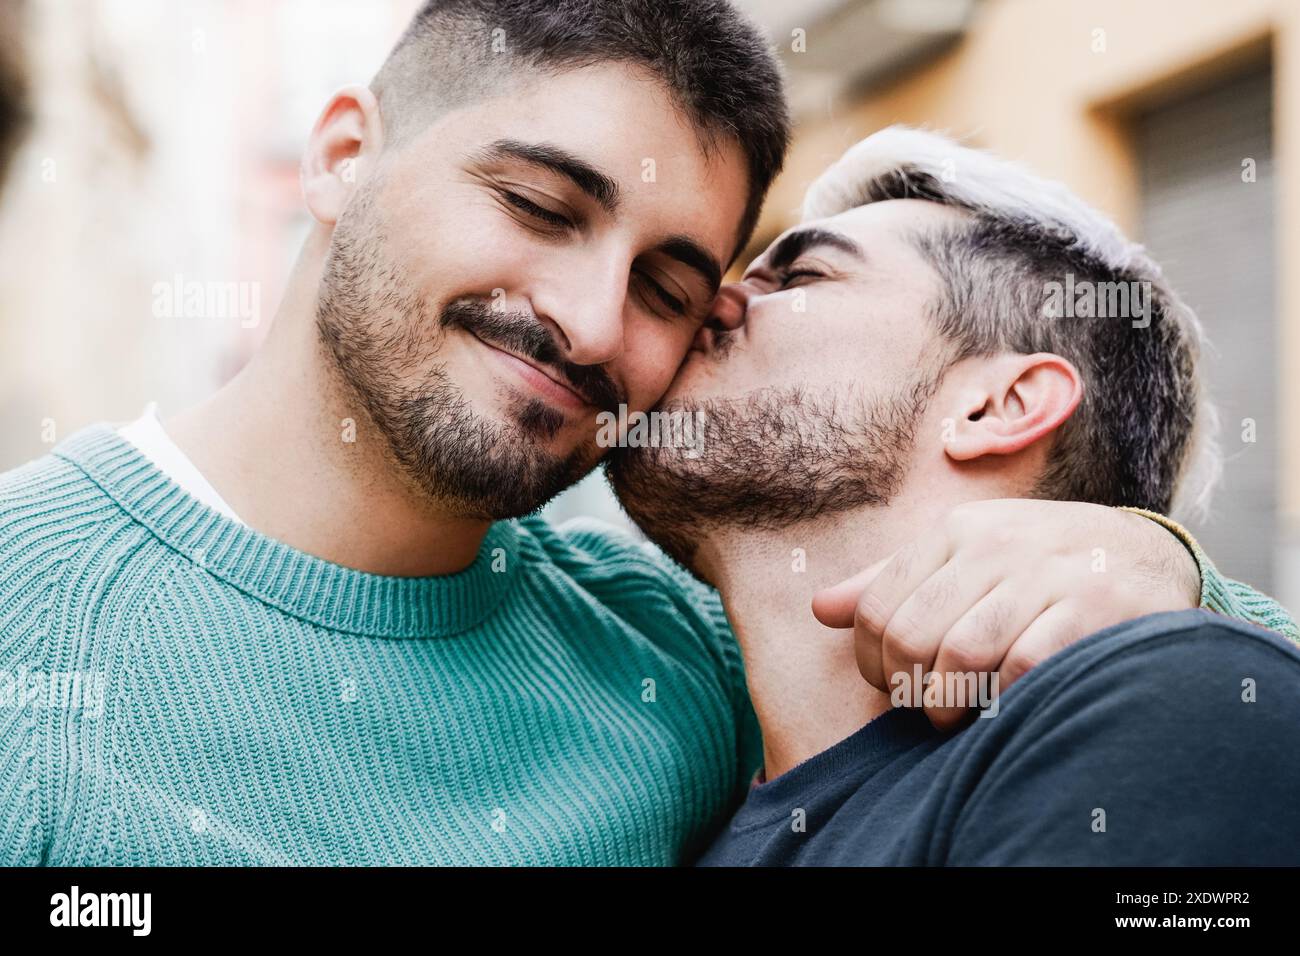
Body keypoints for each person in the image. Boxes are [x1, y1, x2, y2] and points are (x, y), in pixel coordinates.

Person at [0, 2, 1286, 866]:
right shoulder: (29, 628)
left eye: (673, 286)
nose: (589, 319)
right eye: (538, 203)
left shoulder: (679, 652)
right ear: (342, 155)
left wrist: (1159, 566)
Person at [606, 126, 1300, 865]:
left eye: (800, 278)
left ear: (999, 405)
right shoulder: (686, 804)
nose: (711, 301)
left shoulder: (1161, 710)